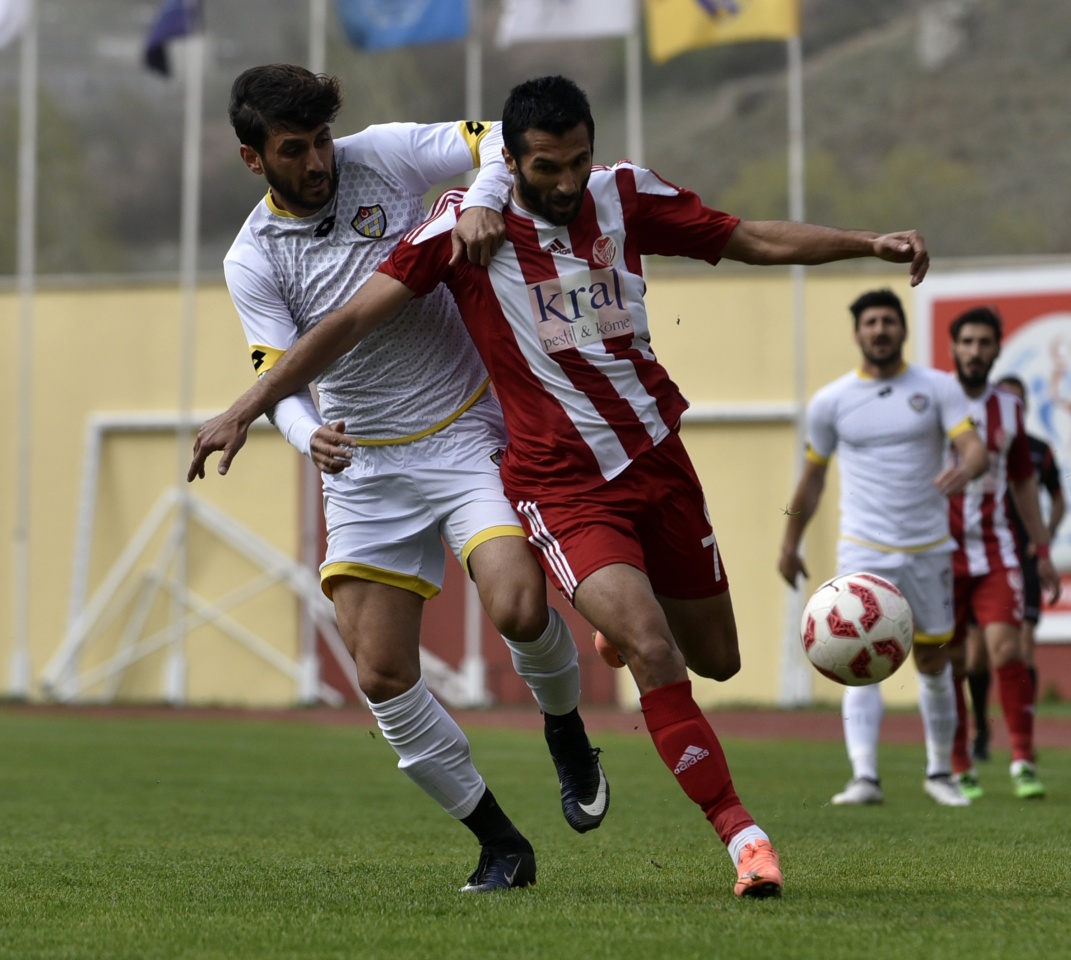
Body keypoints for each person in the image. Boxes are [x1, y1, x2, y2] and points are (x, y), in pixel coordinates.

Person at [190, 74, 931, 899]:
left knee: (709, 658)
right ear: (254, 158)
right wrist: (252, 412)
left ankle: (588, 670)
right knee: (427, 664)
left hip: (623, 453)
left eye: (577, 160)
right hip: (512, 477)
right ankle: (725, 837)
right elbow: (346, 324)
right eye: (548, 166)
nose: (567, 181)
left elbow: (747, 236)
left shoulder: (615, 194)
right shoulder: (416, 241)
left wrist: (869, 243)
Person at [203, 64, 610, 894]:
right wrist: (304, 430)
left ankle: (565, 731)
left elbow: (497, 138)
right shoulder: (251, 258)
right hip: (365, 464)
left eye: (321, 140)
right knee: (382, 673)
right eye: (294, 149)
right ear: (254, 159)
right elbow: (275, 370)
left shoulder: (383, 155)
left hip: (466, 430)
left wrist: (490, 195)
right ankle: (501, 844)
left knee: (519, 606)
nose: (318, 162)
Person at [778, 289, 988, 809]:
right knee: (856, 657)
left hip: (929, 548)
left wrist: (969, 467)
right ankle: (864, 778)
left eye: (889, 321)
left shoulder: (938, 388)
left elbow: (974, 449)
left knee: (935, 662)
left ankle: (940, 772)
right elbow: (811, 481)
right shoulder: (831, 401)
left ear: (903, 330)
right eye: (870, 322)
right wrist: (789, 542)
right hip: (864, 550)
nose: (880, 330)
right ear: (857, 333)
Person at [944, 308, 1061, 801]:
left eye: (984, 342)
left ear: (996, 349)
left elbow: (1023, 482)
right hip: (939, 551)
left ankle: (1022, 760)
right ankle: (958, 764)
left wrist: (1042, 547)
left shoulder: (1010, 409)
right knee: (951, 660)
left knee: (1007, 649)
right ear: (954, 348)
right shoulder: (934, 399)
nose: (974, 350)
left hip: (996, 549)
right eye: (966, 341)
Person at [966, 374, 1066, 762]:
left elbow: (1058, 499)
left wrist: (1045, 538)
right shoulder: (976, 446)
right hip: (982, 556)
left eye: (1018, 402)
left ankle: (1023, 738)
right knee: (975, 656)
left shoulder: (1039, 450)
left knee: (1021, 648)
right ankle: (979, 731)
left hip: (1020, 559)